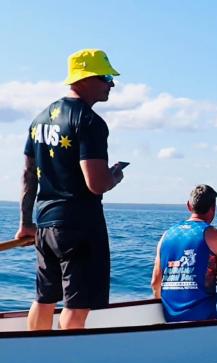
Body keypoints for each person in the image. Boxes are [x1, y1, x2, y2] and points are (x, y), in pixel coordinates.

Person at [15, 49, 126, 330]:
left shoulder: (39, 119)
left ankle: (36, 351)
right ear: (85, 78)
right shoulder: (89, 121)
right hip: (79, 226)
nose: (111, 84)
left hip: (45, 224)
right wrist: (114, 176)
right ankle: (66, 356)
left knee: (44, 298)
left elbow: (28, 175)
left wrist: (26, 223)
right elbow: (96, 184)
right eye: (105, 78)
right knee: (76, 306)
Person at [151, 185, 217, 322]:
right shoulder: (216, 236)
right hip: (204, 315)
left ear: (188, 205)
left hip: (169, 315)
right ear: (213, 208)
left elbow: (155, 282)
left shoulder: (166, 235)